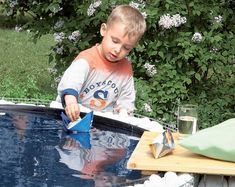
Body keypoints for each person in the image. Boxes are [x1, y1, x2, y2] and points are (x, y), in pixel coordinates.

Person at [56, 5, 146, 122]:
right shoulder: (87, 60)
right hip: (72, 116)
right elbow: (69, 85)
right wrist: (71, 102)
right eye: (115, 41)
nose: (118, 50)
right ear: (104, 30)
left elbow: (126, 100)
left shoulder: (125, 69)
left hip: (101, 121)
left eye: (126, 48)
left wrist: (124, 113)